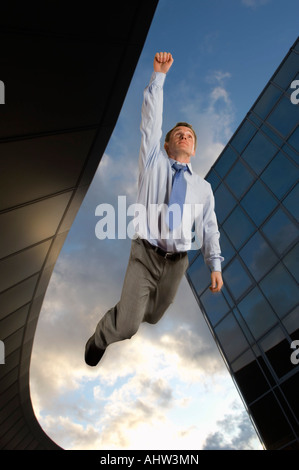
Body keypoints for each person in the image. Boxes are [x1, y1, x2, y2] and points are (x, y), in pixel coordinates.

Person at [85, 52, 224, 366]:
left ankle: (136, 309)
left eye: (189, 135)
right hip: (145, 255)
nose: (184, 136)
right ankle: (101, 335)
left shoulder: (203, 188)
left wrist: (215, 264)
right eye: (177, 134)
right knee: (129, 325)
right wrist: (158, 77)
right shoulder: (153, 162)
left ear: (194, 147)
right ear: (166, 144)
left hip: (177, 262)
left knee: (155, 317)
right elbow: (151, 121)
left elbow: (208, 228)